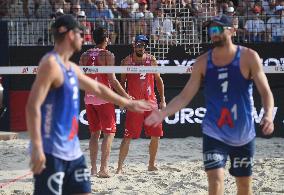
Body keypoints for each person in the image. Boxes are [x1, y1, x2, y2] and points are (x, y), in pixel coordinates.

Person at [145, 15, 274, 195]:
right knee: (215, 181)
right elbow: (184, 96)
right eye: (211, 30)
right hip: (214, 133)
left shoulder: (249, 57)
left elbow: (266, 91)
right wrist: (162, 113)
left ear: (232, 31)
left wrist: (268, 115)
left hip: (243, 134)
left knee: (244, 187)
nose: (213, 33)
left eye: (218, 29)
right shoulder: (202, 62)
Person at [25, 15, 152, 195]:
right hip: (51, 151)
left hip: (73, 151)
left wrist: (127, 102)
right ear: (69, 35)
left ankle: (96, 168)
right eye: (80, 33)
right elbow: (32, 106)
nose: (84, 38)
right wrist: (37, 147)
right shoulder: (50, 64)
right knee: (106, 134)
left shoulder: (72, 66)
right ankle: (102, 168)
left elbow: (98, 88)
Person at [79, 27, 130, 178]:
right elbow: (113, 80)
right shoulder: (108, 54)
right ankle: (103, 169)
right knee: (109, 133)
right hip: (103, 98)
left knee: (94, 134)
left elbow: (82, 78)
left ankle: (93, 169)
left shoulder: (84, 55)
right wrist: (125, 96)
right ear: (106, 39)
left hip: (89, 98)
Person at [116, 35, 166, 174]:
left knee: (156, 135)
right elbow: (122, 83)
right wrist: (123, 100)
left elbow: (158, 80)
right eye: (138, 44)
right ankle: (119, 167)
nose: (140, 47)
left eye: (143, 45)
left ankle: (151, 164)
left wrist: (162, 99)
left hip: (151, 102)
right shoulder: (126, 61)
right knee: (128, 137)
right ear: (134, 45)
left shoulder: (151, 60)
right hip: (135, 104)